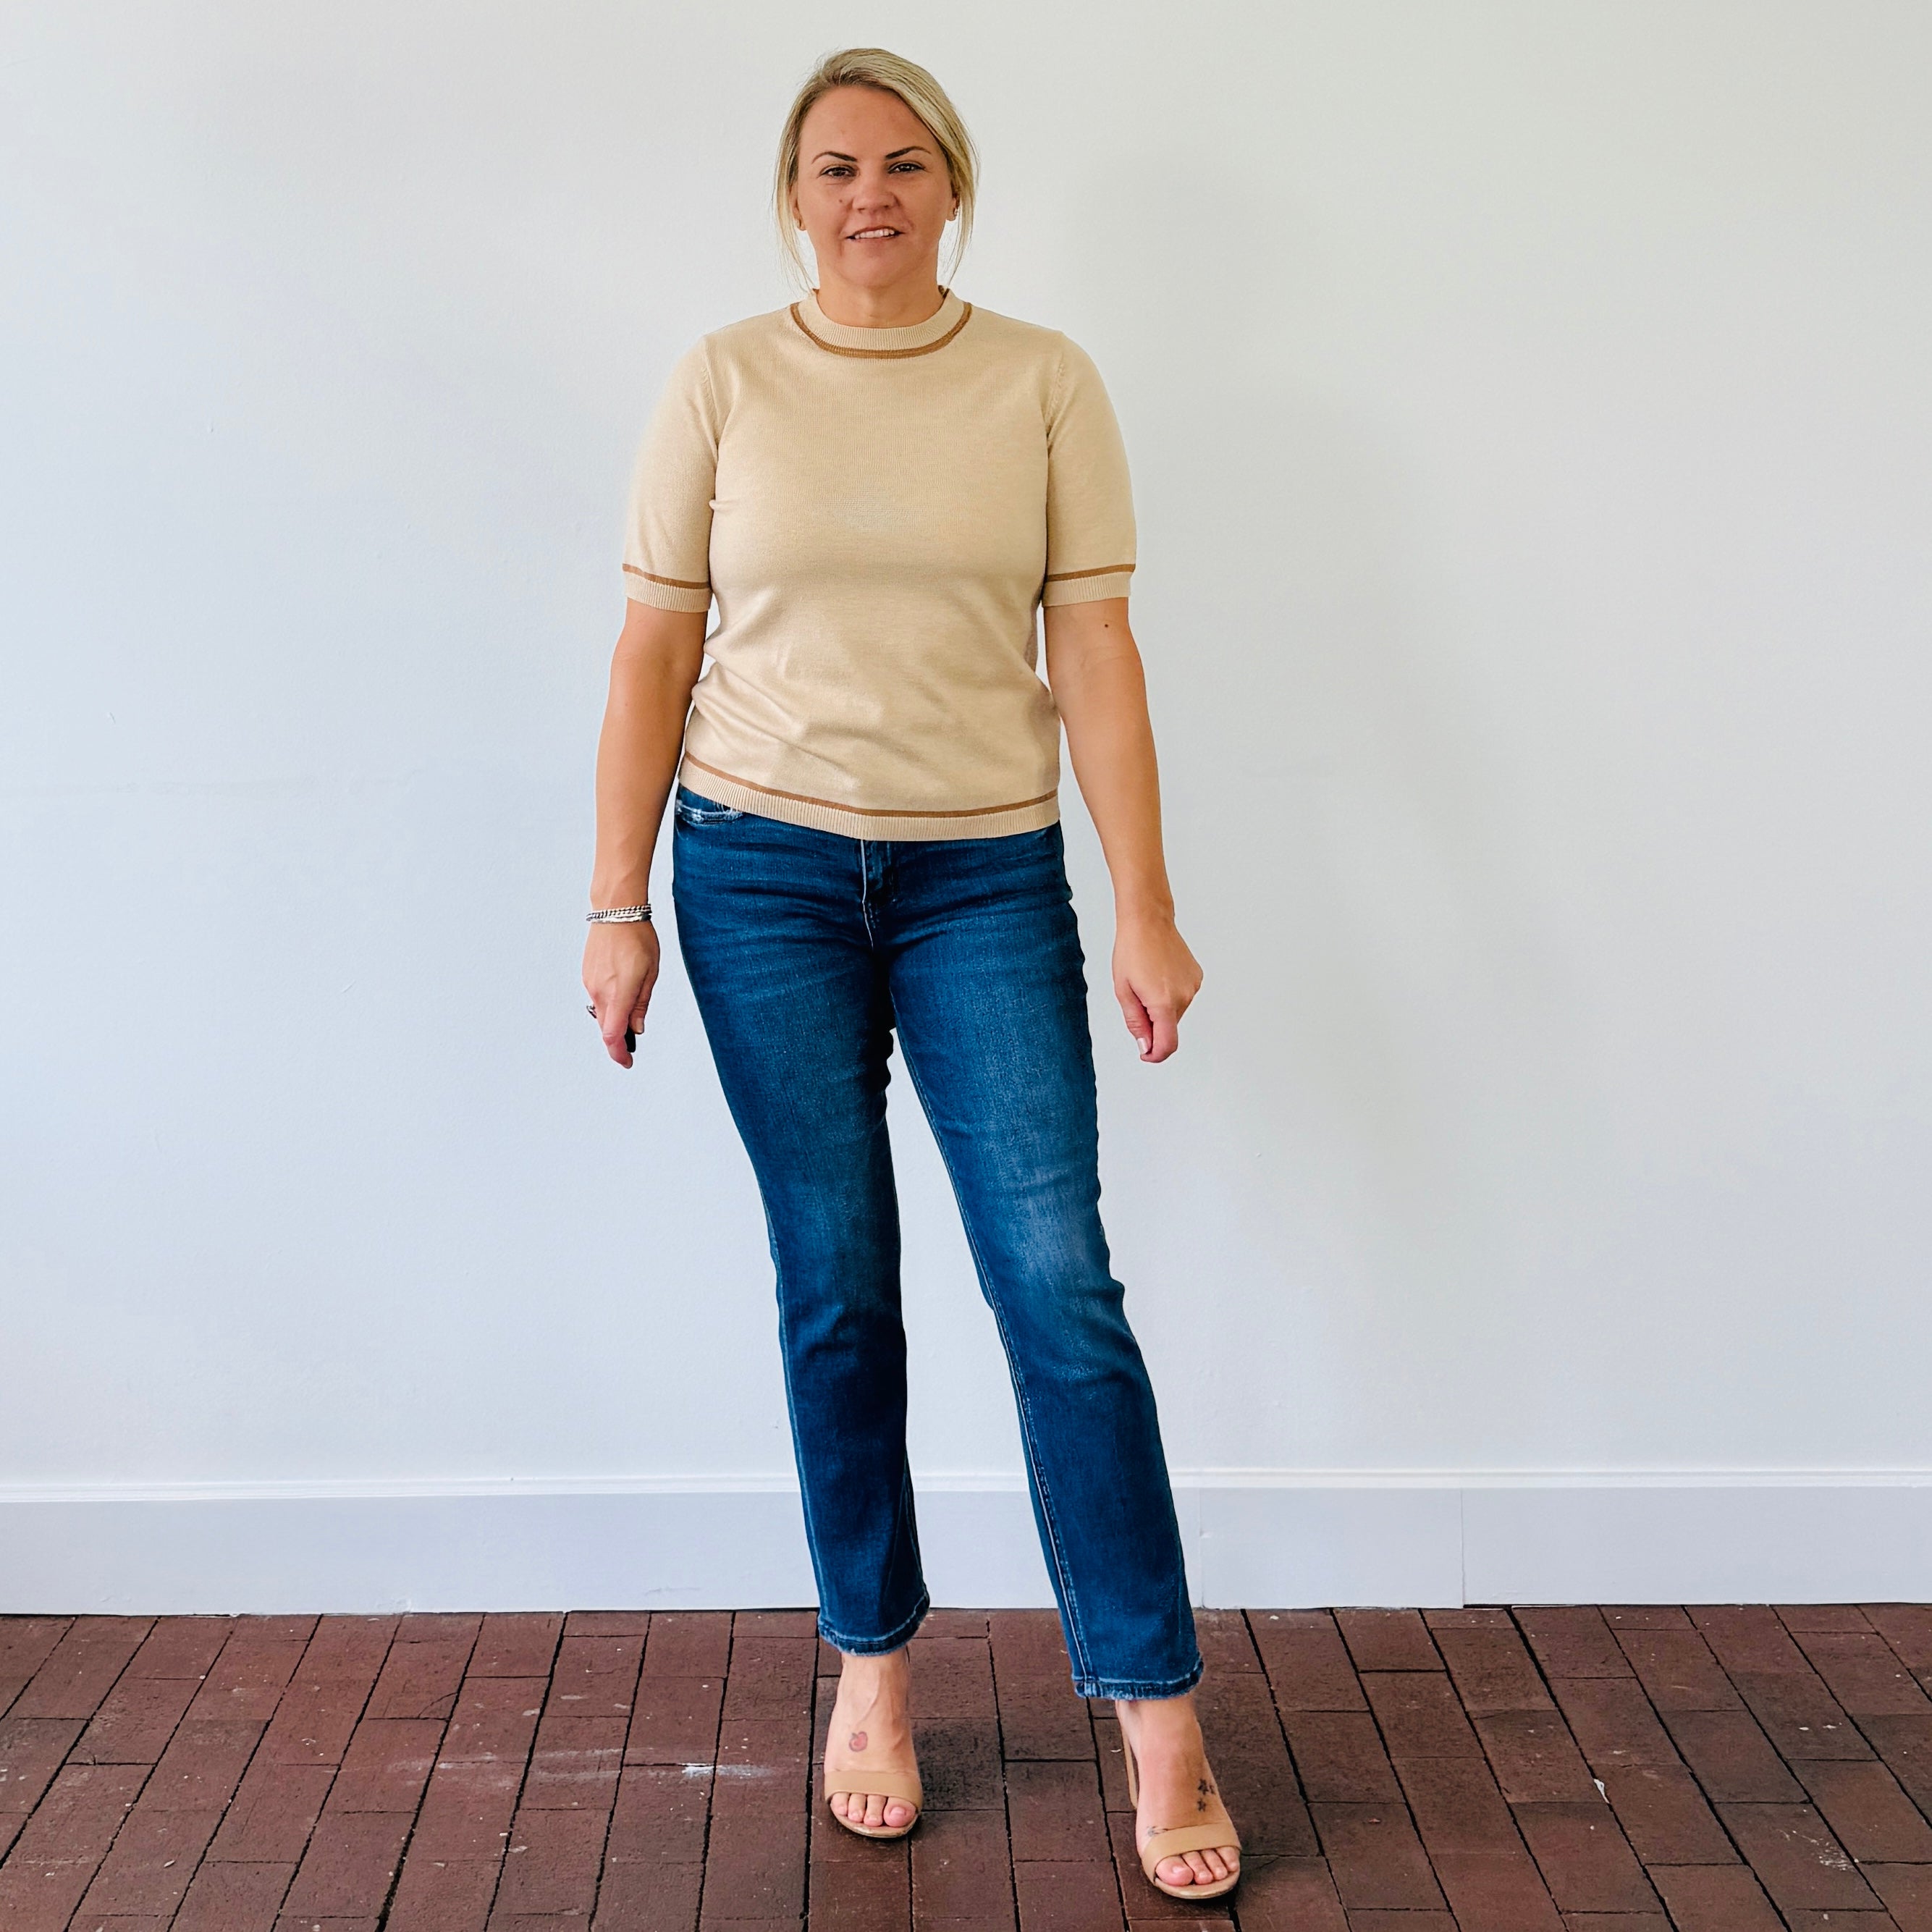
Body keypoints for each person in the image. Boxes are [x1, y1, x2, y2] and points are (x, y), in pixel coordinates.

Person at [581, 46, 1240, 1901]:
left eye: (902, 164)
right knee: (838, 1287)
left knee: (1057, 1286)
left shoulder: (1042, 381)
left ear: (952, 185)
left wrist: (1146, 903)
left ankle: (1157, 1706)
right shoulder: (723, 380)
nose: (868, 194)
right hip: (757, 872)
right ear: (794, 198)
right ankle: (870, 1672)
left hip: (982, 879)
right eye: (833, 167)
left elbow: (1095, 652)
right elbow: (651, 651)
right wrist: (617, 903)